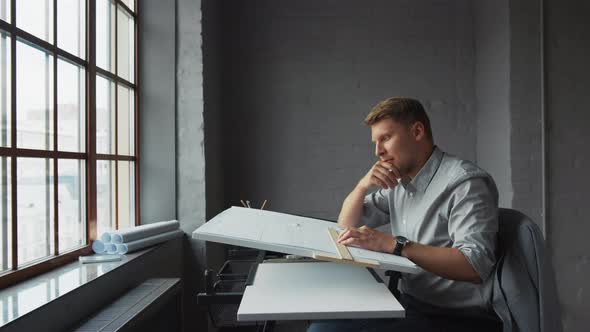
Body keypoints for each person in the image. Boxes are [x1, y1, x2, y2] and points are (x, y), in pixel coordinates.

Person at [308, 97, 502, 332]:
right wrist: (362, 186)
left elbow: (475, 265)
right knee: (322, 329)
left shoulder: (465, 183)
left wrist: (395, 244)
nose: (379, 151)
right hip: (410, 305)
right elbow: (346, 225)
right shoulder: (401, 184)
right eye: (375, 142)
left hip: (455, 317)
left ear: (417, 131)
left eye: (385, 138)